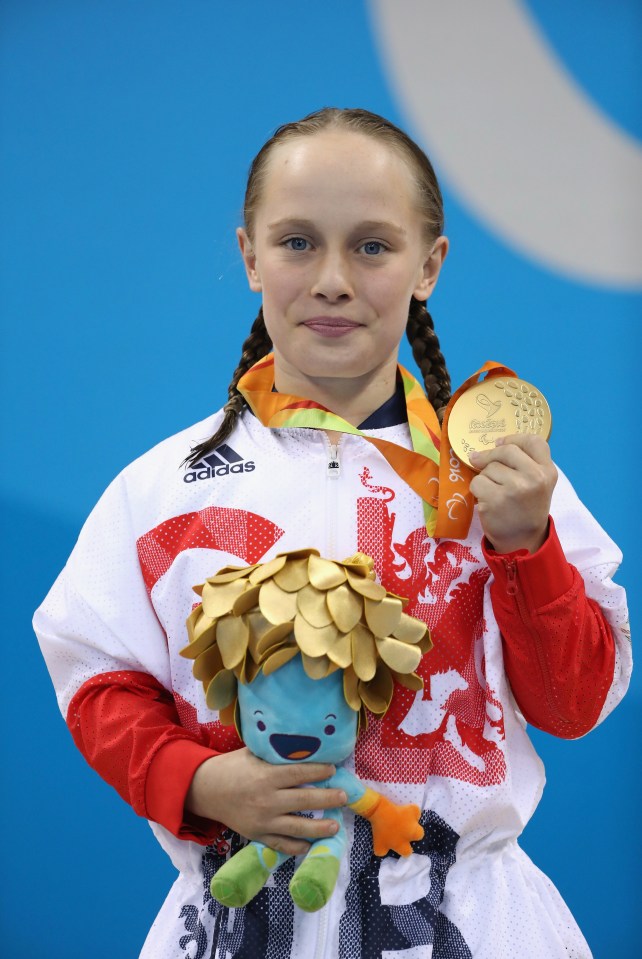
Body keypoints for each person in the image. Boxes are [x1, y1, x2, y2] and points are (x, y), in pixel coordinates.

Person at [33, 108, 631, 959]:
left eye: (374, 246)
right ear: (249, 255)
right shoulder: (160, 488)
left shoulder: (504, 481)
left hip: (469, 926)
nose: (334, 280)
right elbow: (98, 679)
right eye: (298, 242)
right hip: (235, 925)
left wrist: (527, 548)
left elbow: (574, 706)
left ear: (432, 264)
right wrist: (198, 778)